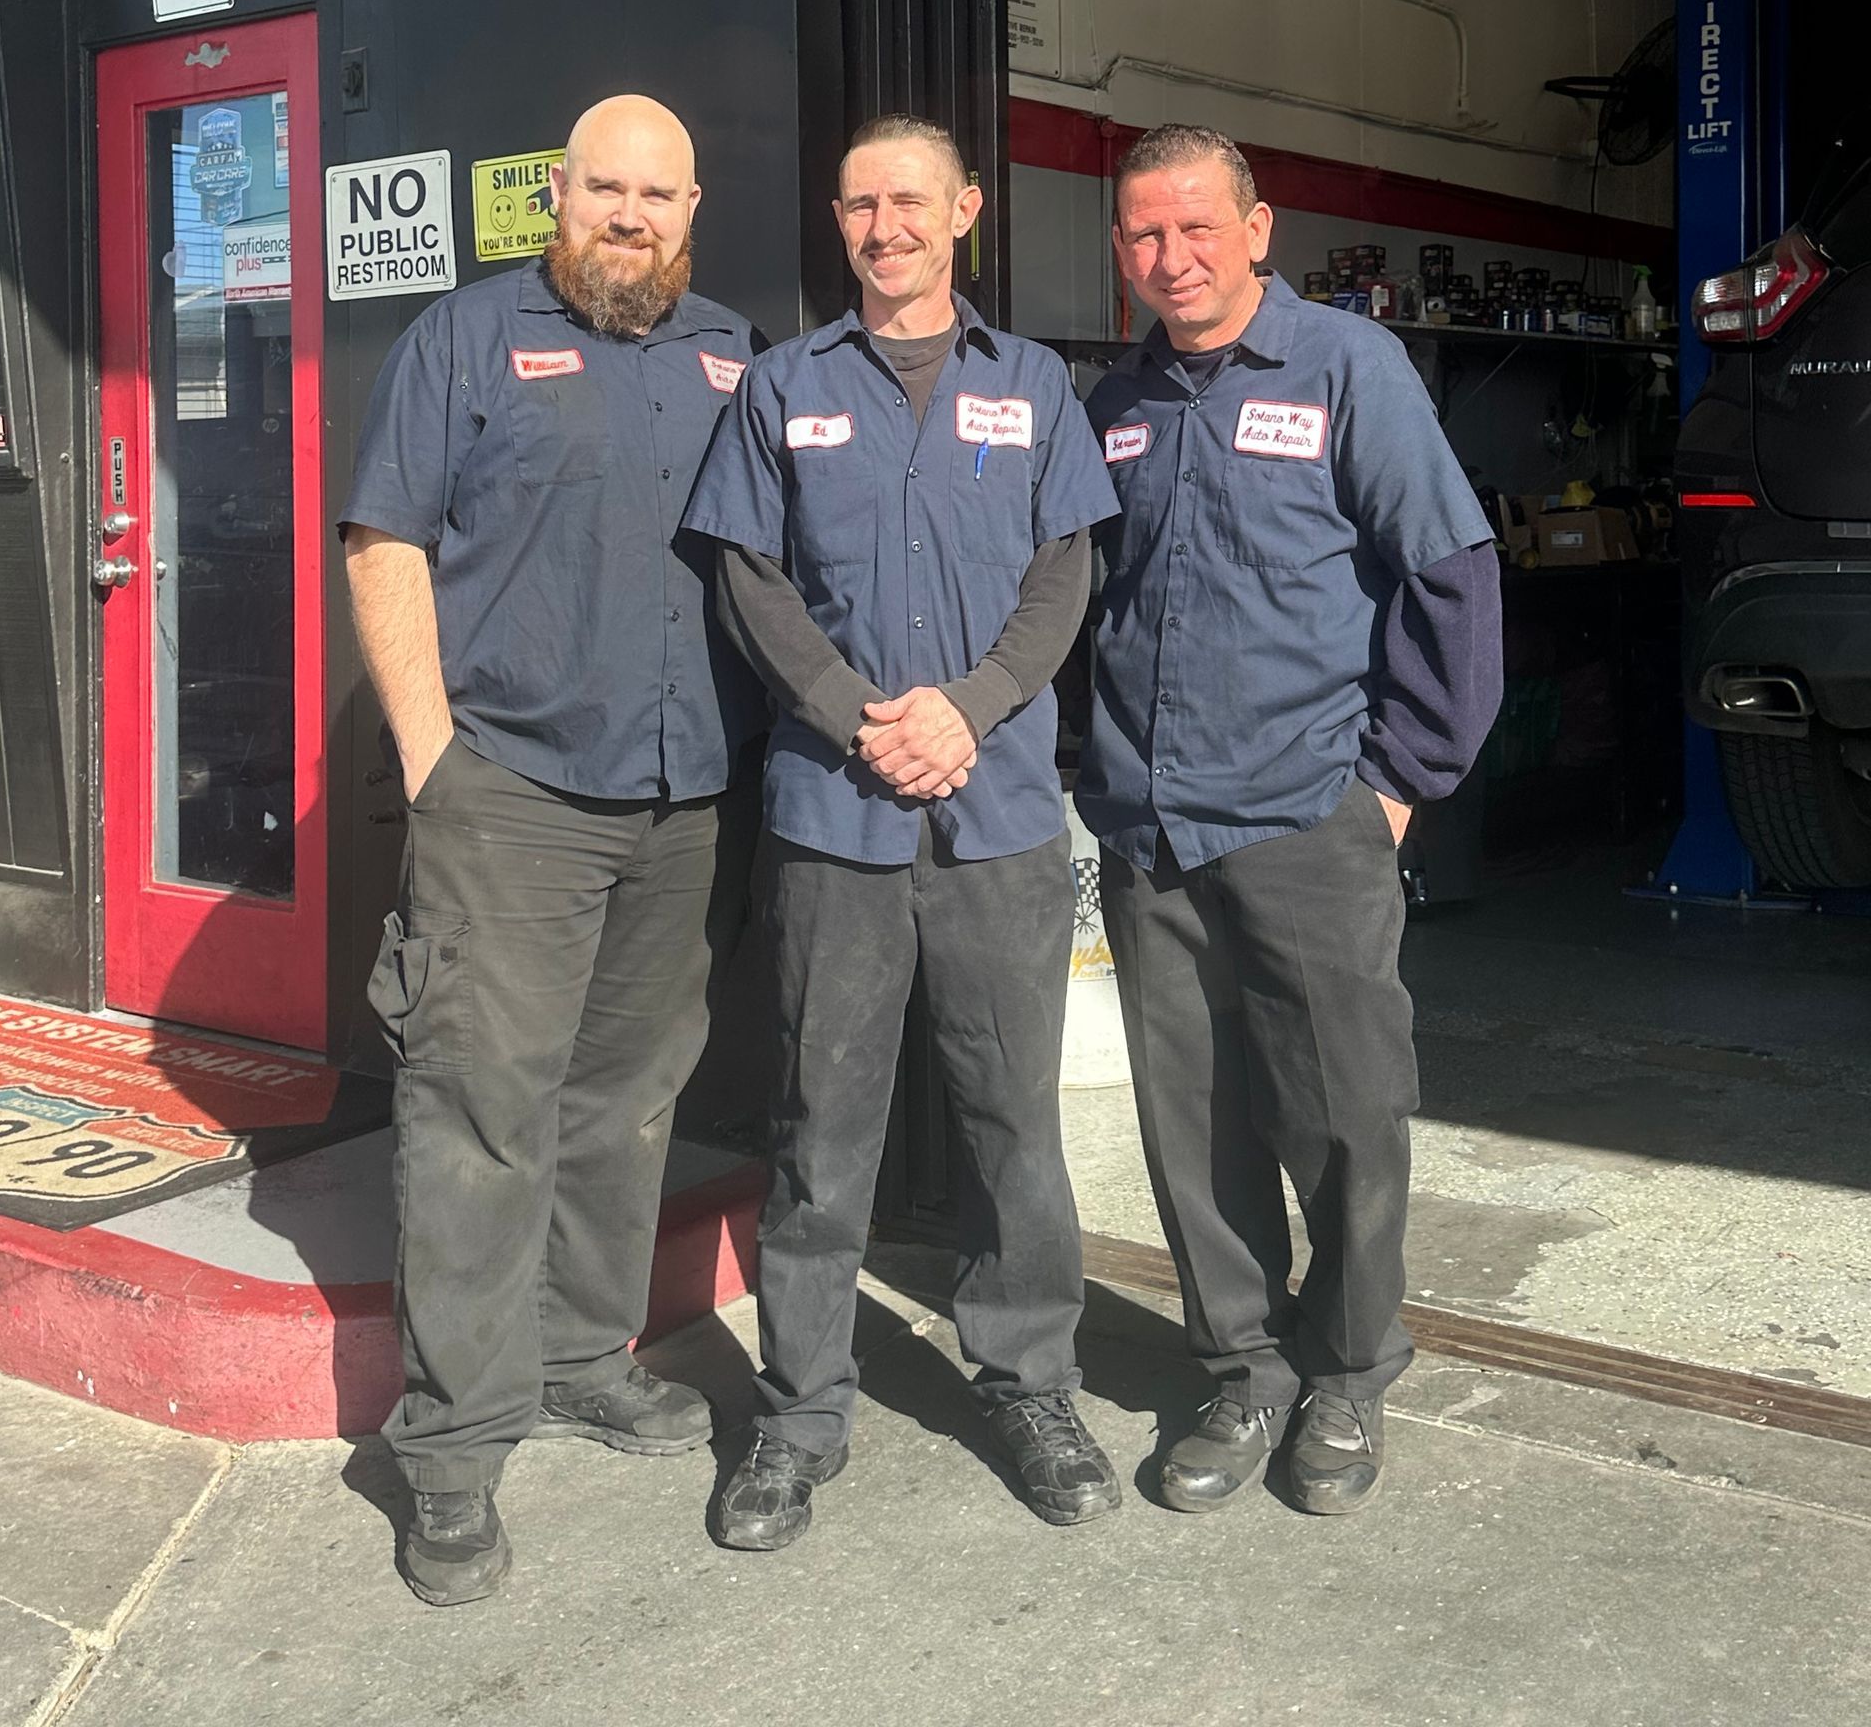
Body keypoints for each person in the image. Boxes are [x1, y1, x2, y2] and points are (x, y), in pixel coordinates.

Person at [341, 94, 763, 1605]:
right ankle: (450, 1455)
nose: (629, 215)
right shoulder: (465, 338)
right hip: (510, 792)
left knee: (626, 1099)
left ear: (692, 208)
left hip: (680, 798)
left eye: (657, 193)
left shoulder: (732, 353)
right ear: (558, 197)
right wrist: (432, 759)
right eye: (605, 189)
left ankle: (587, 1355)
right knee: (479, 1114)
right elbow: (383, 541)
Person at [683, 114, 1122, 1551]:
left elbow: (1066, 574)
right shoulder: (782, 387)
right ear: (840, 220)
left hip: (995, 817)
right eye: (863, 205)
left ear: (966, 215)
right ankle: (802, 1412)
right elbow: (750, 575)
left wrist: (975, 706)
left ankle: (1029, 1381)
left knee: (1015, 1125)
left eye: (911, 202)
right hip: (837, 808)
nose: (885, 228)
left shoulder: (1036, 385)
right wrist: (854, 711)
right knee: (824, 1122)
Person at [1082, 123, 1502, 1518]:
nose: (1172, 257)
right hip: (1153, 833)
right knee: (1192, 1127)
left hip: (1307, 818)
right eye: (1145, 234)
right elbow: (1086, 602)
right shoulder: (1119, 400)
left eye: (1199, 227)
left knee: (1343, 1116)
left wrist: (1399, 782)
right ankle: (1244, 1365)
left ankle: (1348, 1370)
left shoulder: (1347, 371)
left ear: (1259, 229)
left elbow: (1450, 573)